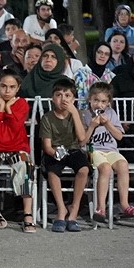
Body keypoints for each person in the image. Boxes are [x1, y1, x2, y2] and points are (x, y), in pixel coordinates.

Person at [0, 70, 35, 231]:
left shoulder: (22, 103)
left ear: (18, 88)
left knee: (26, 167)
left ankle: (27, 213)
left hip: (17, 147)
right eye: (3, 86)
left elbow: (17, 126)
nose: (7, 91)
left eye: (12, 87)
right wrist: (2, 107)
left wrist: (8, 108)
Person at [83, 82, 134, 223]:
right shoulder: (84, 114)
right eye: (96, 100)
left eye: (103, 102)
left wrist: (108, 124)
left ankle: (124, 204)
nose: (99, 105)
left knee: (122, 165)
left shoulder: (111, 114)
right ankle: (101, 208)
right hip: (93, 150)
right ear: (89, 99)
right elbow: (82, 141)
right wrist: (92, 126)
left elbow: (119, 136)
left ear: (108, 103)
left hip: (111, 150)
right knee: (106, 168)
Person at [39, 79, 90, 230]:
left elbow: (81, 139)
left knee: (84, 169)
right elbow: (47, 146)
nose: (63, 99)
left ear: (73, 99)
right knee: (52, 172)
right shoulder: (47, 118)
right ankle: (61, 209)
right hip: (55, 150)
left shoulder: (76, 114)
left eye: (67, 95)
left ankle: (74, 208)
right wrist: (55, 154)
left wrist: (74, 113)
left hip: (73, 149)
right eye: (59, 95)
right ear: (53, 98)